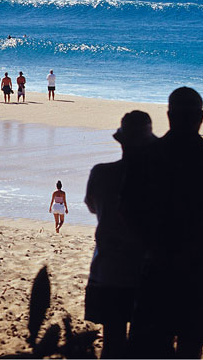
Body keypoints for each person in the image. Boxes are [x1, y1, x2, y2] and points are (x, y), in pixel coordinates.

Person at [122, 87, 203, 359]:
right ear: (201, 116)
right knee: (191, 344)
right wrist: (193, 248)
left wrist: (153, 248)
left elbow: (128, 212)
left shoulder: (147, 156)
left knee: (153, 342)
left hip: (155, 262)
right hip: (202, 264)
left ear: (168, 115)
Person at [84, 110, 156, 359]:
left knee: (112, 339)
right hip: (146, 270)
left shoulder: (101, 172)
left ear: (122, 142)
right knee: (145, 341)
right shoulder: (157, 179)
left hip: (108, 266)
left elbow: (93, 207)